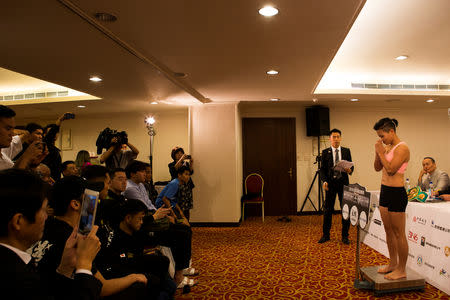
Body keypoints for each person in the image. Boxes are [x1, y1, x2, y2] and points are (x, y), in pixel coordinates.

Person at [30, 175, 148, 299]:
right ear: (75, 204)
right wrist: (134, 277)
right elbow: (100, 288)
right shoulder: (74, 240)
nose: (94, 201)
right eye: (90, 197)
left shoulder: (44, 227)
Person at [0, 168, 103, 299]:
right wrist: (84, 265)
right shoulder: (15, 278)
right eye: (43, 211)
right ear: (18, 221)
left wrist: (64, 269)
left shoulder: (17, 264)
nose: (46, 217)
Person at [96, 199, 177, 299]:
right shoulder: (117, 238)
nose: (141, 222)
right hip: (123, 274)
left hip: (134, 265)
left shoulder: (134, 231)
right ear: (128, 218)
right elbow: (122, 263)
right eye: (139, 219)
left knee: (168, 278)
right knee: (162, 283)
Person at [373, 117, 410, 280]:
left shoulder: (402, 148)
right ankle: (393, 263)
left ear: (391, 131)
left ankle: (402, 269)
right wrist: (378, 152)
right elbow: (377, 168)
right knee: (388, 231)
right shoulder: (386, 148)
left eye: (383, 136)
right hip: (385, 191)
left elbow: (390, 170)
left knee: (399, 232)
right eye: (380, 137)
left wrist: (381, 151)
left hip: (396, 193)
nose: (382, 139)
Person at [318, 128, 354, 245]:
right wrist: (324, 181)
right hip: (330, 185)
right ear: (330, 139)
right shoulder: (325, 152)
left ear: (341, 138)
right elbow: (322, 170)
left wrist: (349, 170)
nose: (336, 139)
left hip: (343, 184)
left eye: (338, 137)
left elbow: (351, 167)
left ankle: (345, 236)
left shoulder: (346, 151)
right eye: (334, 137)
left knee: (345, 210)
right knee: (328, 210)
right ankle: (326, 235)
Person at [0, 105, 48, 171]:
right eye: (8, 129)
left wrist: (31, 163)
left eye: (12, 129)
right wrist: (26, 157)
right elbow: (11, 180)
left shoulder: (4, 153)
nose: (12, 133)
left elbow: (13, 171)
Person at [42, 112, 74, 180]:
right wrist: (60, 120)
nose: (55, 134)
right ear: (45, 134)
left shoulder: (54, 148)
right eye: (52, 132)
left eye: (56, 133)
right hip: (48, 178)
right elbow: (50, 135)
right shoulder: (44, 145)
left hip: (55, 178)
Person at [168, 147, 195, 220]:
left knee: (186, 208)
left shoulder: (185, 163)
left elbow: (191, 172)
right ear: (174, 155)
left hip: (187, 187)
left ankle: (187, 223)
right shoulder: (171, 164)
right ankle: (179, 224)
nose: (180, 154)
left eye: (181, 153)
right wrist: (181, 159)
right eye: (178, 153)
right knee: (177, 205)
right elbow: (174, 170)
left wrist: (191, 163)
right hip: (177, 187)